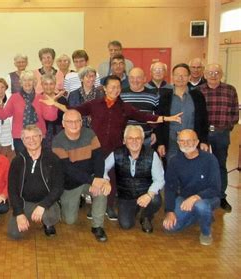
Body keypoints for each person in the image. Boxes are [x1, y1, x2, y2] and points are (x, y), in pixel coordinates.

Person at [40, 75, 182, 220]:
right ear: (105, 88)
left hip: (115, 149)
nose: (116, 90)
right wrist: (54, 103)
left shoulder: (124, 107)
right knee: (95, 176)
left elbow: (144, 117)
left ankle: (108, 206)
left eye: (118, 87)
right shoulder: (94, 104)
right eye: (112, 87)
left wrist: (167, 118)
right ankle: (95, 205)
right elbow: (72, 110)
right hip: (95, 149)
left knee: (112, 178)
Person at [52, 110, 110, 242]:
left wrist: (99, 179)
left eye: (77, 121)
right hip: (69, 183)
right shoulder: (57, 141)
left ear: (82, 122)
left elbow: (99, 159)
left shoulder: (90, 134)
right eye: (70, 122)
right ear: (63, 124)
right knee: (70, 221)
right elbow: (68, 169)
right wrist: (92, 180)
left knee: (102, 191)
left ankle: (97, 226)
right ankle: (64, 201)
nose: (74, 124)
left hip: (89, 179)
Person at [163, 129, 221, 246]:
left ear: (197, 142)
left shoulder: (210, 159)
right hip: (185, 197)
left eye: (189, 141)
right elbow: (170, 187)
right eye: (182, 141)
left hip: (208, 197)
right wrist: (169, 211)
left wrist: (196, 197)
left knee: (201, 205)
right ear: (178, 143)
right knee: (170, 228)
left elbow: (215, 188)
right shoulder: (174, 161)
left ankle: (206, 232)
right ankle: (201, 215)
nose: (185, 144)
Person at [104, 125, 164, 233]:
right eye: (130, 138)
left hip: (146, 192)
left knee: (155, 199)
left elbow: (160, 180)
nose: (134, 141)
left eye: (138, 138)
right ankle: (135, 208)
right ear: (124, 141)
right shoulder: (116, 153)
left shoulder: (152, 155)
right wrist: (106, 180)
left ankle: (146, 216)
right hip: (126, 195)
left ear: (142, 140)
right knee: (126, 225)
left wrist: (149, 194)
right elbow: (103, 168)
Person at [7, 125, 63, 239]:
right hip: (25, 203)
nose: (31, 140)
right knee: (14, 234)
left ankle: (47, 223)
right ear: (22, 140)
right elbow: (12, 190)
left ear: (41, 137)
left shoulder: (53, 159)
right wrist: (19, 213)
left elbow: (58, 188)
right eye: (27, 138)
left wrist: (43, 205)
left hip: (47, 202)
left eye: (35, 137)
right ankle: (29, 216)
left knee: (50, 216)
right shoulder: (17, 161)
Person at [198, 63, 239, 212]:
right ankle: (202, 195)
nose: (213, 75)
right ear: (205, 74)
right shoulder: (198, 91)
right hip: (202, 133)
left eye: (216, 72)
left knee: (220, 165)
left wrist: (228, 126)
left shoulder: (230, 90)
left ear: (221, 74)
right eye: (210, 72)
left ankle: (221, 196)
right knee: (200, 164)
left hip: (222, 134)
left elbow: (235, 111)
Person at [155, 63, 209, 162]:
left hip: (192, 143)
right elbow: (160, 121)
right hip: (171, 143)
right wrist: (160, 143)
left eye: (184, 75)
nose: (180, 78)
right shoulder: (165, 97)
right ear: (173, 77)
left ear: (189, 77)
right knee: (172, 171)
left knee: (192, 170)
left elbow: (204, 120)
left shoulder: (197, 95)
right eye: (177, 75)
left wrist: (204, 141)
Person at [0, 71, 58, 154]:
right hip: (20, 137)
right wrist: (0, 106)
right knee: (23, 163)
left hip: (38, 136)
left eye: (30, 80)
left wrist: (52, 104)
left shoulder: (41, 98)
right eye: (24, 80)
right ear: (21, 82)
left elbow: (51, 117)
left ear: (34, 82)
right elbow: (3, 116)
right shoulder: (14, 98)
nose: (27, 83)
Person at [120, 68, 159, 146]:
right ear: (128, 79)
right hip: (126, 140)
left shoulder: (154, 95)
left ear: (144, 79)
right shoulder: (120, 94)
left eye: (138, 77)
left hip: (147, 139)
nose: (135, 80)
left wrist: (155, 132)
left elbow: (158, 116)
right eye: (132, 77)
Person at [41, 74, 68, 149]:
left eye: (51, 84)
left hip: (60, 133)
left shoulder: (62, 99)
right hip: (43, 134)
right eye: (45, 84)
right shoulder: (38, 99)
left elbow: (69, 113)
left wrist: (55, 103)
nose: (48, 87)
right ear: (42, 85)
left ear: (55, 84)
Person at [0, 78, 15, 161]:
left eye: (2, 87)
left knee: (10, 163)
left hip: (10, 137)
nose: (0, 90)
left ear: (6, 88)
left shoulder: (12, 99)